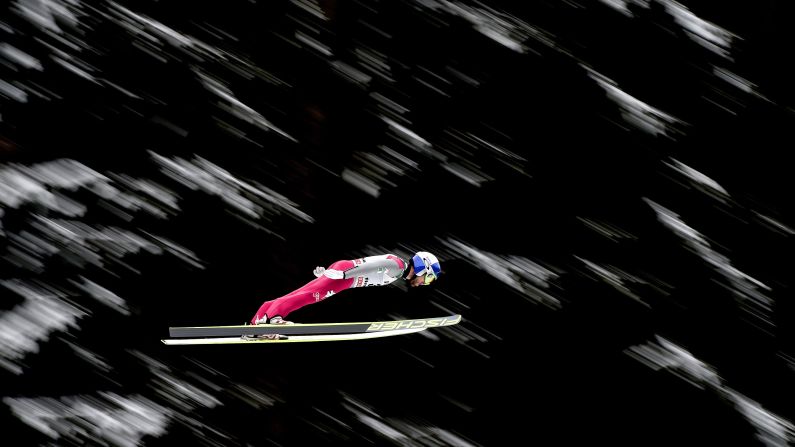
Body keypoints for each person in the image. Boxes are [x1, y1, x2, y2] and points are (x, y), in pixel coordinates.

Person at [246, 251, 441, 339]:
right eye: (428, 279)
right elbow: (370, 266)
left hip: (345, 275)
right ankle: (272, 320)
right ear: (423, 269)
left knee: (302, 293)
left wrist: (337, 274)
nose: (425, 283)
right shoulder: (397, 265)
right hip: (345, 275)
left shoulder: (398, 269)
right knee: (308, 297)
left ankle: (259, 320)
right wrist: (343, 274)